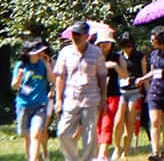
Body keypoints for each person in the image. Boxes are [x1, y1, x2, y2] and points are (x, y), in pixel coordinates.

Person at [54, 21, 107, 161]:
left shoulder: (96, 52)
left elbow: (102, 76)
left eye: (79, 34)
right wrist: (58, 100)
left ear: (87, 36)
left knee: (89, 136)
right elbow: (60, 77)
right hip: (71, 98)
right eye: (73, 34)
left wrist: (103, 98)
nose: (75, 37)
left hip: (91, 99)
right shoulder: (65, 52)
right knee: (62, 133)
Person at [138, 26, 164, 161]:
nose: (151, 39)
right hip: (154, 91)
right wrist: (142, 79)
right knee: (155, 122)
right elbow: (153, 72)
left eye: (154, 36)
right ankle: (155, 151)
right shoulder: (153, 54)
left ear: (161, 38)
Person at [13, 39, 54, 161]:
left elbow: (52, 80)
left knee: (36, 134)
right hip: (23, 105)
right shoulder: (20, 65)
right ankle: (32, 158)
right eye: (38, 52)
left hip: (40, 105)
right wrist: (19, 77)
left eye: (41, 51)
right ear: (29, 53)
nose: (41, 54)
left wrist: (47, 65)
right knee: (27, 137)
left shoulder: (43, 64)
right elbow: (14, 86)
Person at [95, 28, 128, 161]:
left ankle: (103, 153)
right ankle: (102, 153)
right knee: (97, 124)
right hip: (95, 95)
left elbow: (125, 76)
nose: (104, 45)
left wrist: (114, 66)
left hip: (112, 95)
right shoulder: (94, 56)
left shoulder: (117, 57)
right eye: (102, 42)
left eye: (107, 42)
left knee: (107, 123)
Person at [115, 32, 147, 161]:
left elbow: (145, 74)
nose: (127, 49)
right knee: (118, 122)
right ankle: (117, 148)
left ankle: (126, 153)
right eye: (124, 46)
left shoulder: (140, 56)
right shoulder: (118, 56)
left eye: (129, 46)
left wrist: (147, 92)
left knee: (130, 122)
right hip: (121, 91)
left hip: (134, 91)